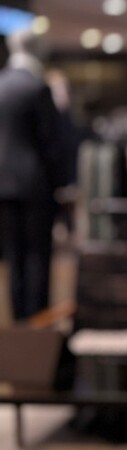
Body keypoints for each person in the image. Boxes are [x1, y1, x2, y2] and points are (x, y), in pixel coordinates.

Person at [0, 28, 64, 319]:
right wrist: (61, 184)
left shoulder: (2, 84)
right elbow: (51, 143)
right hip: (35, 184)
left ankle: (18, 320)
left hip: (4, 185)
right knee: (38, 255)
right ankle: (38, 321)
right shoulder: (37, 87)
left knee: (13, 255)